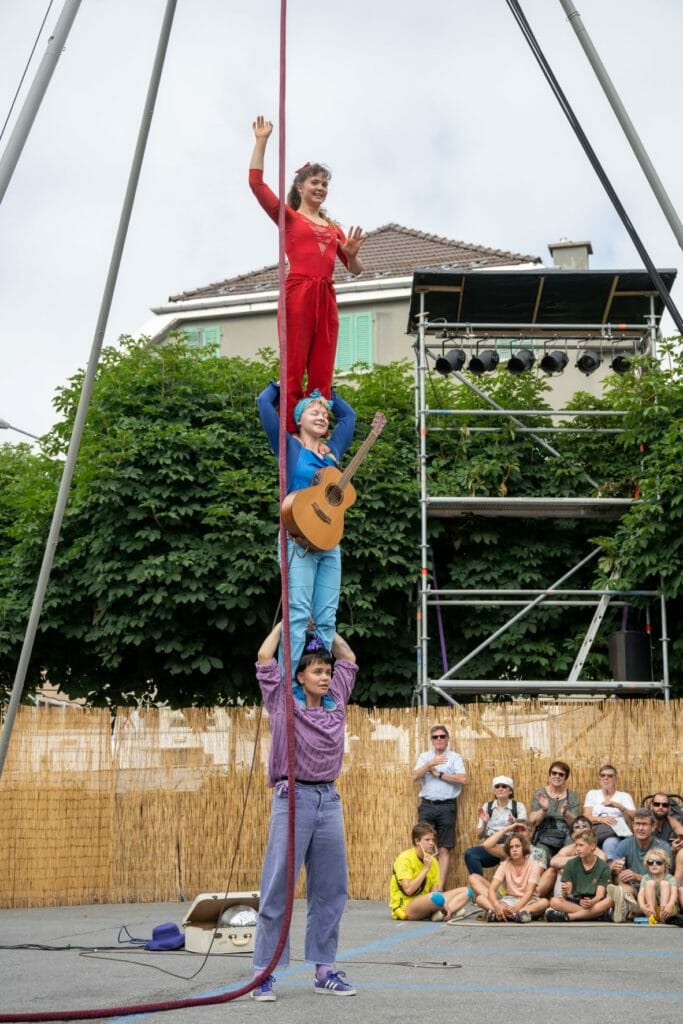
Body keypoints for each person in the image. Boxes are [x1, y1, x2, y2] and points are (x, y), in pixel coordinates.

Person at [250, 622, 358, 1001]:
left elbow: (348, 658)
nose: (326, 676)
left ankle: (324, 970)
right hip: (291, 797)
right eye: (317, 671)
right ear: (300, 676)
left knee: (331, 888)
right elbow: (265, 658)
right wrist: (286, 624)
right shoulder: (284, 703)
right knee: (278, 886)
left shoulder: (337, 703)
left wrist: (325, 631)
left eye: (327, 672)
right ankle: (263, 973)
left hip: (328, 799)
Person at [249, 115, 365, 431]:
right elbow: (257, 185)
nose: (321, 187)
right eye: (315, 182)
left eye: (325, 184)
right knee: (293, 363)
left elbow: (354, 270)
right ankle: (289, 429)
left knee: (322, 366)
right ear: (300, 187)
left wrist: (352, 256)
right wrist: (261, 141)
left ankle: (317, 426)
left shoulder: (333, 228)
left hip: (325, 294)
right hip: (299, 290)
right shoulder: (289, 217)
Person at [257, 382, 355, 686]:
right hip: (297, 539)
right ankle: (291, 690)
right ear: (299, 419)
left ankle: (318, 686)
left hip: (328, 543)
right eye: (314, 410)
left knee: (326, 620)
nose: (322, 415)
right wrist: (280, 385)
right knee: (297, 615)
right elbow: (263, 404)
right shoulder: (289, 447)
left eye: (325, 413)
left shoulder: (332, 453)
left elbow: (349, 419)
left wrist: (330, 393)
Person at [412, 725, 466, 888]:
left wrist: (439, 774)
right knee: (423, 846)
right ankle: (424, 885)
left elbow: (462, 779)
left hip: (446, 806)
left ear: (448, 739)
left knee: (444, 848)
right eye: (435, 737)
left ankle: (439, 888)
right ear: (431, 740)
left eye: (442, 736)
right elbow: (414, 776)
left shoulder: (455, 757)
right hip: (427, 805)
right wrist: (430, 765)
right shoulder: (425, 757)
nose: (439, 739)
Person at [389, 822, 470, 921]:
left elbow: (434, 890)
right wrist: (425, 869)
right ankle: (448, 911)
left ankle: (445, 912)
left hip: (427, 900)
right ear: (417, 841)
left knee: (467, 892)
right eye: (427, 840)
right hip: (406, 906)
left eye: (432, 839)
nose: (431, 843)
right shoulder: (405, 859)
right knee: (437, 898)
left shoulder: (434, 862)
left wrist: (442, 904)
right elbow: (408, 890)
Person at [607, 809, 672, 923]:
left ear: (653, 827)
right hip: (632, 889)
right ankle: (627, 903)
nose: (640, 828)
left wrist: (637, 877)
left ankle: (629, 907)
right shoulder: (624, 844)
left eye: (644, 824)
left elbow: (667, 879)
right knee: (619, 879)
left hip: (653, 892)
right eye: (637, 824)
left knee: (650, 884)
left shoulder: (663, 847)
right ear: (633, 825)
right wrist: (615, 869)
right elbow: (613, 872)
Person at [474, 834, 549, 922]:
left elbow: (529, 892)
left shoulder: (534, 865)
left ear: (524, 848)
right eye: (511, 847)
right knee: (480, 899)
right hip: (508, 900)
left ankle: (508, 914)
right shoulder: (504, 865)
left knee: (544, 902)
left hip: (528, 901)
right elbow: (492, 889)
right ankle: (509, 914)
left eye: (517, 846)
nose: (514, 849)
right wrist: (497, 905)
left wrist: (516, 908)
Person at [464, 776, 528, 877]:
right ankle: (480, 885)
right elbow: (479, 835)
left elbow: (524, 834)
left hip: (510, 846)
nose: (500, 788)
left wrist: (513, 825)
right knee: (470, 854)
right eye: (497, 786)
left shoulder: (518, 806)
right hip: (491, 846)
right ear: (494, 790)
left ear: (510, 791)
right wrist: (484, 822)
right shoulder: (487, 807)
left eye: (504, 786)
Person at [544, 829, 613, 922]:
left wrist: (591, 902)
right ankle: (597, 915)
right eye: (576, 845)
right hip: (576, 901)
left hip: (594, 901)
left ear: (592, 846)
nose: (577, 848)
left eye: (581, 845)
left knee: (610, 900)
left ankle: (570, 917)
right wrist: (565, 891)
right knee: (554, 901)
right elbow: (568, 893)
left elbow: (600, 895)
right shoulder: (570, 864)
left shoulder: (603, 866)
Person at [541, 816, 607, 897]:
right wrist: (576, 860)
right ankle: (559, 899)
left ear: (592, 830)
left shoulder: (598, 852)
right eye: (577, 827)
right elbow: (553, 862)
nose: (581, 829)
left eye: (584, 826)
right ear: (573, 832)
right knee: (554, 870)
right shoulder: (569, 848)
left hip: (588, 891)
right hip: (566, 889)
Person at [529, 761, 580, 860]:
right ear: (549, 775)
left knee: (570, 855)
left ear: (565, 778)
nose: (557, 776)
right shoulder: (540, 793)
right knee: (540, 854)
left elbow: (575, 824)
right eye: (554, 773)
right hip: (545, 834)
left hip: (566, 835)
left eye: (561, 774)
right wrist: (543, 810)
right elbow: (533, 821)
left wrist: (566, 813)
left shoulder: (572, 796)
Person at [582, 764, 635, 859]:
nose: (606, 778)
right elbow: (586, 817)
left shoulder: (624, 796)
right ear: (599, 778)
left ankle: (611, 871)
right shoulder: (592, 794)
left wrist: (618, 806)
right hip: (597, 829)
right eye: (603, 775)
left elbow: (634, 817)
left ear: (615, 779)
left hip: (616, 831)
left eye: (610, 776)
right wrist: (601, 819)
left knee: (610, 843)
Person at [637, 847, 679, 923]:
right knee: (650, 883)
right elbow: (641, 894)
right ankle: (652, 914)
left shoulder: (669, 877)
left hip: (668, 910)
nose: (654, 864)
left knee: (664, 883)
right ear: (647, 865)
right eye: (650, 862)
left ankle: (663, 916)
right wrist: (642, 906)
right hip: (651, 909)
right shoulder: (646, 878)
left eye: (659, 862)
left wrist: (669, 906)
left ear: (665, 865)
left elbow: (674, 894)